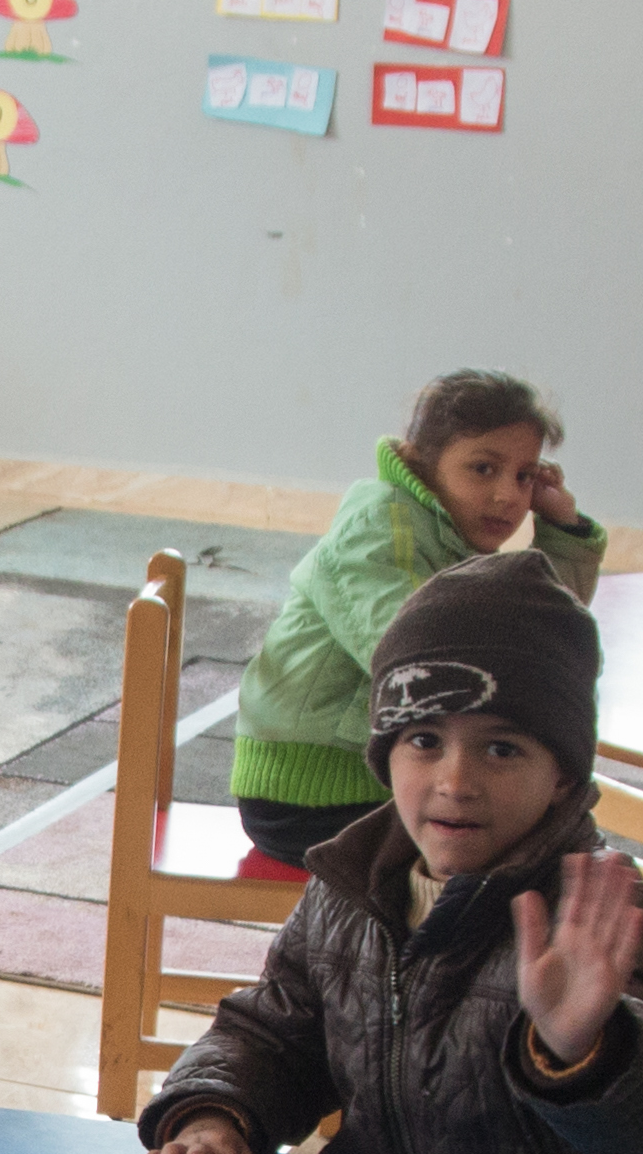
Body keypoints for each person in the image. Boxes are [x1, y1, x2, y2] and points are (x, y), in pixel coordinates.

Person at [138, 549, 643, 1154]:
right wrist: (215, 1108)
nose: (455, 779)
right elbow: (276, 1032)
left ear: (566, 777)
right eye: (424, 741)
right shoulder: (352, 886)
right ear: (384, 757)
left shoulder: (596, 914)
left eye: (501, 747)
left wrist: (586, 1049)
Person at [227, 369, 603, 874]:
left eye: (524, 476)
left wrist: (562, 530)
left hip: (385, 783)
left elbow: (537, 638)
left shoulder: (446, 534)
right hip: (311, 794)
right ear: (424, 463)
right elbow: (412, 653)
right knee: (521, 854)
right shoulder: (380, 528)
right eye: (483, 469)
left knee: (548, 828)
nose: (508, 497)